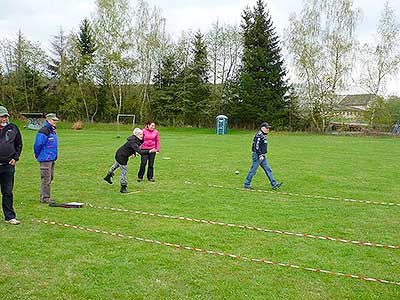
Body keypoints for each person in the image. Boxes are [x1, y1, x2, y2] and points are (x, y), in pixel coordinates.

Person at [104, 128, 156, 193]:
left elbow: (135, 147)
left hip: (120, 154)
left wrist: (133, 153)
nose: (142, 136)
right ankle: (123, 187)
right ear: (136, 134)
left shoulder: (136, 140)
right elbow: (139, 151)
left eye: (142, 134)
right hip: (122, 156)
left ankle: (108, 176)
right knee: (124, 170)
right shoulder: (133, 142)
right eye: (140, 134)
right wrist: (149, 151)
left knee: (116, 165)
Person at [244, 122, 283, 190]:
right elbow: (256, 146)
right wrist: (260, 155)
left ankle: (274, 184)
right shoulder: (258, 135)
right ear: (262, 128)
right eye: (267, 128)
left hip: (262, 156)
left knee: (268, 170)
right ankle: (246, 184)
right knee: (253, 170)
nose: (268, 129)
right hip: (258, 156)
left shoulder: (263, 135)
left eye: (268, 128)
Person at [0, 106, 22, 225]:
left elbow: (19, 144)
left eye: (5, 116)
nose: (4, 119)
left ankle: (9, 217)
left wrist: (15, 158)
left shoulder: (13, 128)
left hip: (8, 166)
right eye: (2, 116)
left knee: (7, 192)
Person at [34, 113, 59, 204]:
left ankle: (45, 196)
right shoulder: (44, 130)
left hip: (51, 158)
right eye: (53, 120)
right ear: (48, 120)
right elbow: (38, 144)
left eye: (55, 120)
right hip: (45, 158)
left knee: (50, 177)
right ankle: (45, 198)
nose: (55, 122)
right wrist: (38, 155)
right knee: (46, 178)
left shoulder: (52, 130)